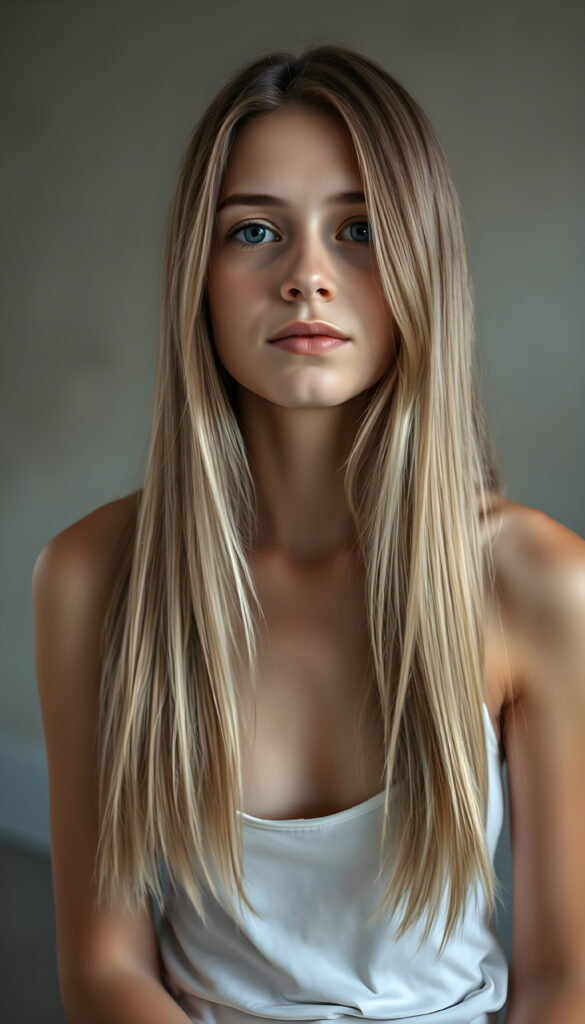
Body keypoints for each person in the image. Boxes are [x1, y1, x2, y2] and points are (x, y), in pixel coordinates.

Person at [32, 44, 585, 1024]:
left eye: (360, 227)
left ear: (426, 261)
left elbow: (561, 980)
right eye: (254, 230)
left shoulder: (538, 579)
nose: (308, 278)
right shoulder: (89, 578)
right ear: (195, 276)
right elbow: (106, 968)